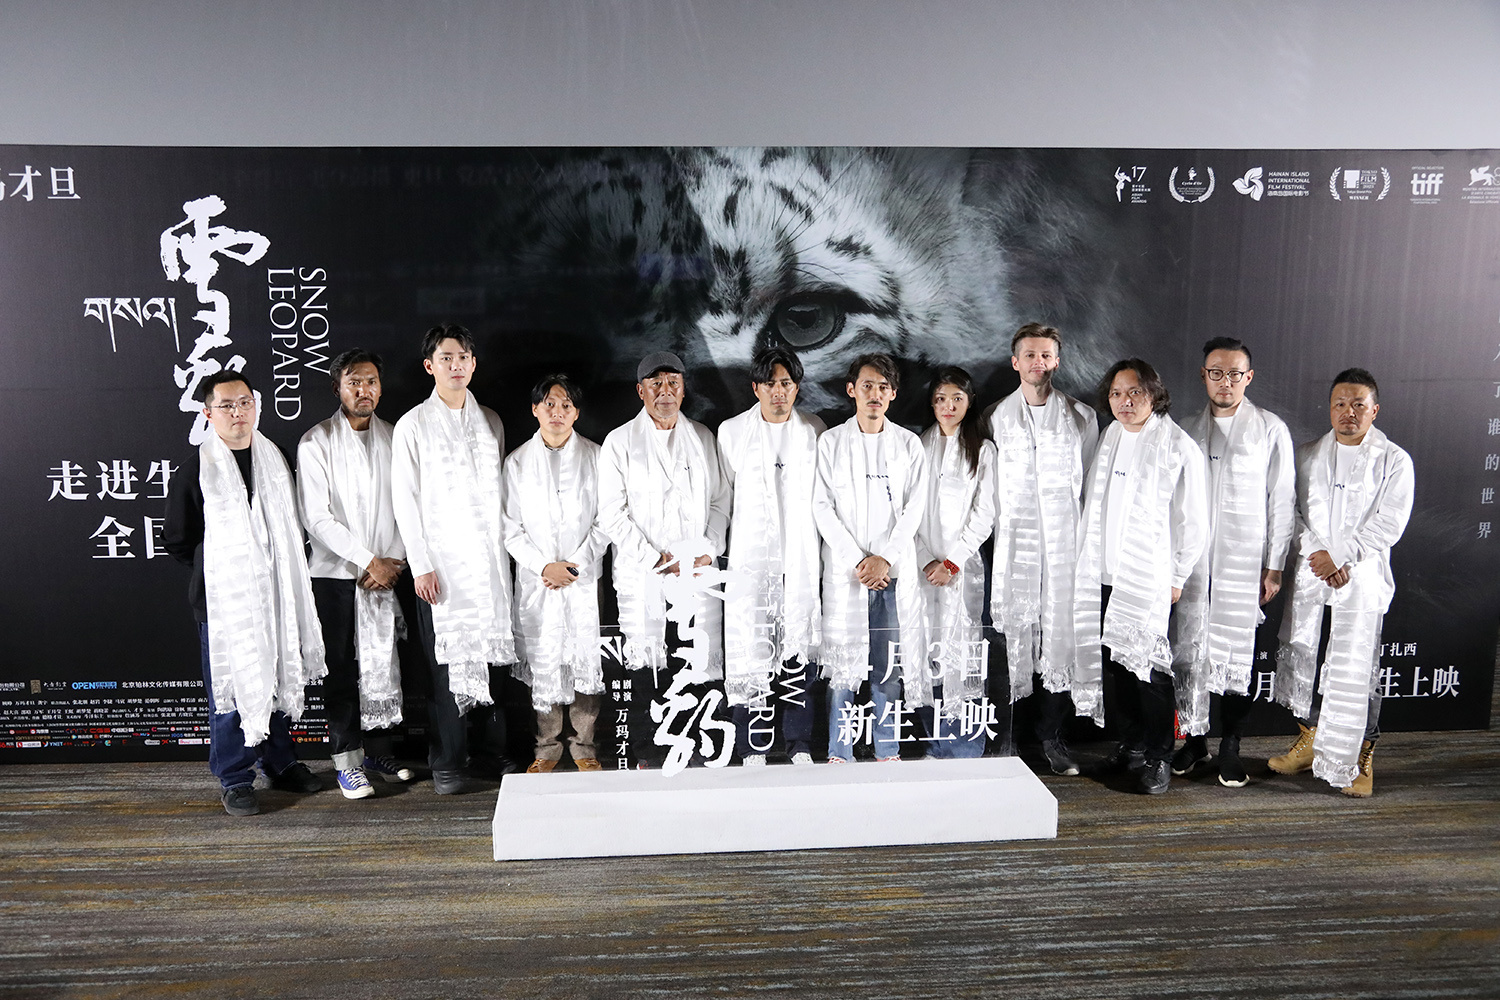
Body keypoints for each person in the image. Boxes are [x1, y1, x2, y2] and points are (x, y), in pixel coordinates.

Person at [163, 370, 324, 816]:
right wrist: (227, 571)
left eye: (245, 403)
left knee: (276, 675)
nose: (238, 413)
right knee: (232, 688)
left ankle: (281, 763)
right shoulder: (196, 469)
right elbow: (178, 539)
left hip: (276, 594)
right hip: (224, 601)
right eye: (227, 406)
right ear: (207, 413)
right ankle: (235, 778)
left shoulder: (275, 456)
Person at [1269, 368, 1413, 797]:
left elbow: (1390, 523)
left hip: (1361, 578)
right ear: (1330, 408)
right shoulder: (1307, 455)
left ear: (1374, 410)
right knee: (1308, 658)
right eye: (1340, 404)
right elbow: (1290, 512)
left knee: (1358, 667)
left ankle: (1360, 755)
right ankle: (1311, 740)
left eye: (1358, 405)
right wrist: (1318, 553)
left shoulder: (1394, 460)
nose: (1348, 412)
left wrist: (1341, 555)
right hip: (1313, 575)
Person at [391, 324, 519, 794]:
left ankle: (490, 751)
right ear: (430, 366)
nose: (456, 365)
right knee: (444, 662)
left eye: (463, 356)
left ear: (473, 363)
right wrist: (420, 562)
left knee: (493, 656)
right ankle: (448, 760)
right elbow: (405, 498)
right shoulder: (412, 425)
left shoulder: (490, 421)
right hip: (441, 566)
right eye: (446, 358)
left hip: (488, 562)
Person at [1073, 359, 1208, 794]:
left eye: (1135, 392)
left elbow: (1194, 521)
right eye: (1116, 393)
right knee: (1117, 666)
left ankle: (1159, 756)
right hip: (1104, 571)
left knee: (1149, 670)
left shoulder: (1177, 445)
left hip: (1148, 577)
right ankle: (1131, 745)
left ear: (1154, 394)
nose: (1124, 402)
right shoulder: (1112, 434)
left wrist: (1177, 575)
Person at [1169, 337, 1295, 787]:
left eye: (1235, 374)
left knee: (1236, 651)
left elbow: (1282, 500)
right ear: (1204, 376)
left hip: (1243, 561)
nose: (1226, 382)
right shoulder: (1186, 429)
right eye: (1216, 373)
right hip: (1195, 562)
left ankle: (1231, 745)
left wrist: (1274, 564)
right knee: (1190, 648)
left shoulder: (1269, 429)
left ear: (1249, 377)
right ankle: (1194, 740)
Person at [598, 351, 732, 769]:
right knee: (647, 659)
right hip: (645, 573)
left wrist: (705, 549)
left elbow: (720, 502)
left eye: (673, 382)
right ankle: (650, 753)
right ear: (641, 391)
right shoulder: (620, 442)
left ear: (683, 389)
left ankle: (700, 746)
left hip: (696, 571)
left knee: (696, 656)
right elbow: (612, 513)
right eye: (656, 384)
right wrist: (656, 558)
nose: (665, 391)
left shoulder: (703, 438)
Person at [296, 349, 417, 801]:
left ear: (380, 388)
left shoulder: (397, 437)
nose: (363, 390)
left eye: (370, 382)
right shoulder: (316, 442)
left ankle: (379, 752)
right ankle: (347, 761)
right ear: (337, 388)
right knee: (343, 669)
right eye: (353, 382)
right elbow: (316, 518)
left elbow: (411, 505)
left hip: (388, 571)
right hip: (335, 574)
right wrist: (368, 560)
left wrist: (392, 561)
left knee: (384, 661)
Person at [986, 323, 1099, 775]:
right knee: (1013, 633)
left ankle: (1052, 737)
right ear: (1015, 362)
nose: (1038, 363)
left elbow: (1088, 484)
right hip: (1014, 544)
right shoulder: (995, 417)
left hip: (1064, 546)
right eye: (1030, 355)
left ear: (1057, 361)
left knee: (1059, 636)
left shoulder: (1081, 417)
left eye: (1046, 355)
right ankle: (1008, 736)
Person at [814, 353, 929, 763]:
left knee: (887, 665)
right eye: (867, 386)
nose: (874, 394)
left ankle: (887, 747)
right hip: (848, 574)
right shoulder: (830, 442)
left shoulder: (909, 444)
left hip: (891, 574)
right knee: (843, 664)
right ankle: (839, 749)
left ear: (893, 394)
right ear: (852, 390)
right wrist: (857, 561)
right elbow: (821, 507)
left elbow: (915, 508)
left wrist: (886, 559)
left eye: (883, 387)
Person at [717, 347, 825, 766]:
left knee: (798, 652)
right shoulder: (731, 432)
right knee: (751, 650)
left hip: (798, 561)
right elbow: (723, 499)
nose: (778, 391)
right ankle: (752, 745)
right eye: (770, 384)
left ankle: (799, 743)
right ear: (755, 388)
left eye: (786, 383)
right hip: (751, 561)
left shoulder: (814, 430)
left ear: (796, 387)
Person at [502, 374, 608, 774]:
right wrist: (543, 566)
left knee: (583, 658)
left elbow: (606, 519)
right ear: (535, 409)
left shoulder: (597, 457)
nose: (557, 412)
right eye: (549, 404)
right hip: (539, 578)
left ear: (577, 413)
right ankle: (546, 748)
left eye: (566, 405)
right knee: (544, 658)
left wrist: (575, 565)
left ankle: (584, 746)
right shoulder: (517, 462)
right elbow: (509, 527)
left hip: (583, 576)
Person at [915, 367, 997, 758]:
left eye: (957, 399)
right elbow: (908, 510)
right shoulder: (918, 446)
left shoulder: (983, 450)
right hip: (921, 568)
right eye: (941, 399)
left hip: (961, 569)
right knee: (926, 648)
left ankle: (965, 746)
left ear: (969, 402)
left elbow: (985, 513)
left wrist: (952, 562)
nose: (948, 407)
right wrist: (925, 560)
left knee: (962, 650)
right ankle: (933, 742)